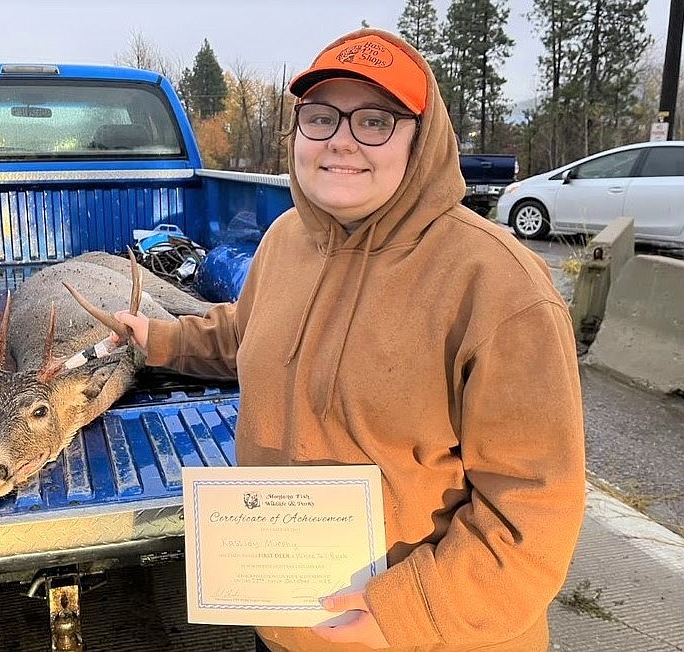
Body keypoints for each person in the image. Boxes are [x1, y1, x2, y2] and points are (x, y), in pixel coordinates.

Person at [114, 27, 586, 652]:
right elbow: (248, 332)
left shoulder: (497, 285)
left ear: (422, 140)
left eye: (374, 121)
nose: (340, 140)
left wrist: (411, 612)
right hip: (287, 621)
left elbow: (535, 511)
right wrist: (161, 339)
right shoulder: (286, 240)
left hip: (428, 636)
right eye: (320, 117)